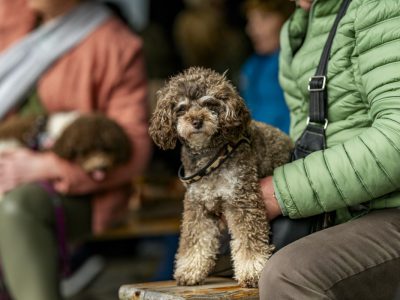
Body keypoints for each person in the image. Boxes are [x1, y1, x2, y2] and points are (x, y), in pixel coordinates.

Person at [0, 0, 151, 299]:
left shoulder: (115, 43)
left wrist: (46, 167)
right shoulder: (12, 14)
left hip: (79, 189)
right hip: (9, 161)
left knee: (18, 207)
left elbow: (136, 150)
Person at [259, 0, 400, 298]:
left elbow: (397, 138)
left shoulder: (381, 6)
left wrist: (280, 193)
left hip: (390, 209)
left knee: (290, 275)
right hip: (345, 213)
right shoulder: (298, 28)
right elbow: (303, 142)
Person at [239, 0, 293, 133]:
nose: (251, 29)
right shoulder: (251, 67)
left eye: (263, 18)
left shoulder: (299, 61)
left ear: (286, 18)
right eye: (251, 20)